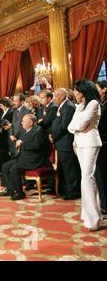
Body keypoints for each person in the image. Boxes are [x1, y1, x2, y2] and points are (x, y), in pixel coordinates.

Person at [68, 80, 103, 231]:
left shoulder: (94, 103)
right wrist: (77, 130)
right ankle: (91, 214)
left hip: (90, 143)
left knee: (87, 178)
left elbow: (80, 125)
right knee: (88, 178)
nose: (74, 93)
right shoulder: (81, 105)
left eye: (76, 90)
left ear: (84, 90)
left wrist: (78, 126)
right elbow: (71, 126)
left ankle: (93, 219)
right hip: (80, 144)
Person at [0, 114, 50, 201]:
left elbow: (36, 146)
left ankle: (19, 192)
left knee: (14, 169)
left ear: (30, 123)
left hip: (34, 159)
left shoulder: (39, 131)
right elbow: (19, 141)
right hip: (23, 157)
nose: (21, 123)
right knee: (5, 166)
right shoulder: (24, 130)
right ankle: (10, 189)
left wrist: (22, 144)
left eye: (23, 121)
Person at [50, 89, 81, 199]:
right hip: (61, 142)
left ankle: (73, 192)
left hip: (65, 142)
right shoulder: (63, 106)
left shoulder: (68, 106)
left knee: (70, 169)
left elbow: (64, 126)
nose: (53, 98)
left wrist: (53, 135)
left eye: (55, 96)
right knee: (65, 168)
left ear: (62, 96)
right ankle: (67, 189)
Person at [95, 81, 107, 214]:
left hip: (103, 143)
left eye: (97, 88)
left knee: (102, 175)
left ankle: (105, 205)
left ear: (104, 89)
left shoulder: (104, 105)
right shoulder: (101, 104)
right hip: (102, 142)